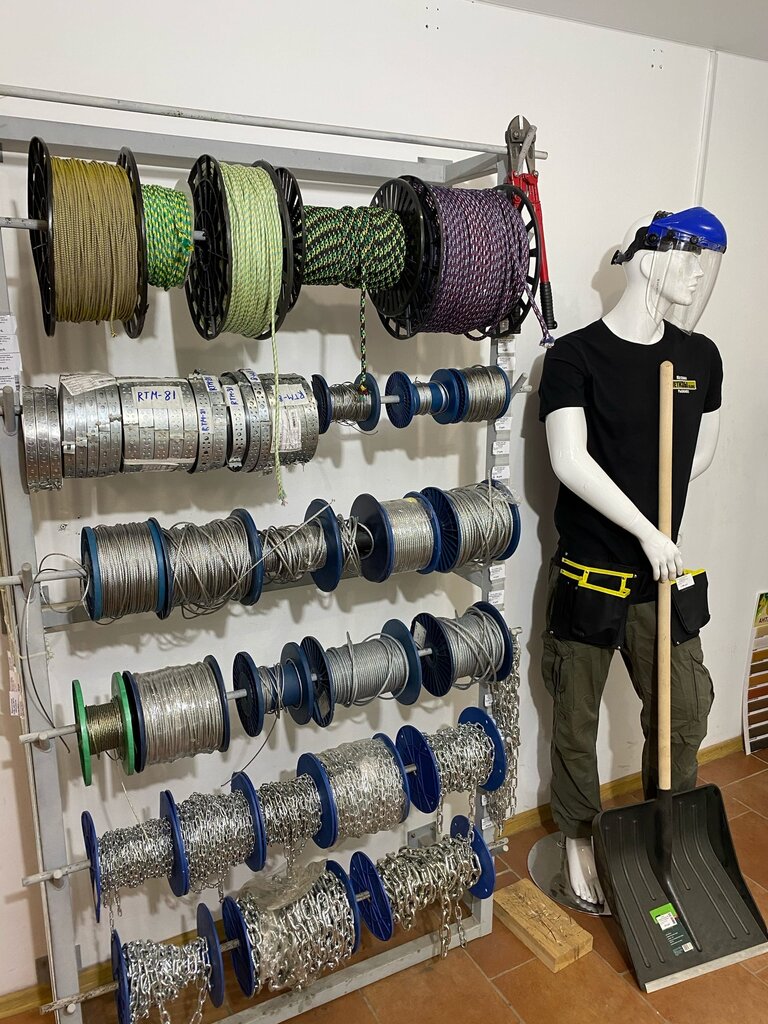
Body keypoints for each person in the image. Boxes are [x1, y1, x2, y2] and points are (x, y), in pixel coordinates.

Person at [538, 208, 726, 905]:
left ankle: (664, 829)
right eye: (691, 258)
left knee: (685, 711)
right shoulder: (574, 357)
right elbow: (569, 461)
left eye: (708, 262)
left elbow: (698, 453)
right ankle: (579, 840)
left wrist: (659, 531)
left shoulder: (699, 358)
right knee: (576, 721)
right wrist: (647, 528)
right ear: (650, 258)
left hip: (660, 580)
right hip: (591, 576)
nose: (699, 275)